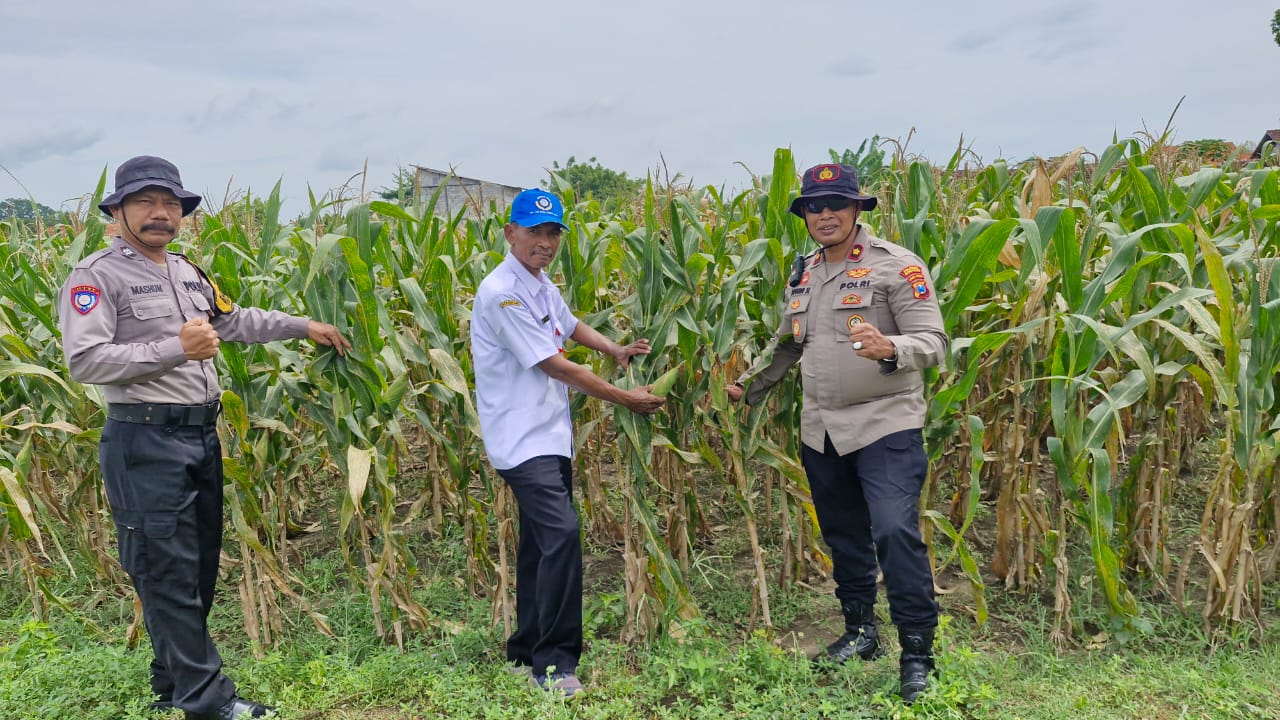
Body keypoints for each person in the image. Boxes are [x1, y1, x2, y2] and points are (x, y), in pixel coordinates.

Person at [58, 156, 351, 720]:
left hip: (197, 437)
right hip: (143, 440)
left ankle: (171, 681)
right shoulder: (96, 276)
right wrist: (176, 348)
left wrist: (301, 325)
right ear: (117, 210)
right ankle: (207, 701)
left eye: (171, 204)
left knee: (194, 567)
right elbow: (87, 360)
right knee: (163, 568)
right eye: (145, 202)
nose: (160, 214)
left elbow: (231, 321)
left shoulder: (187, 271)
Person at [726, 163, 949, 703]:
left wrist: (892, 348)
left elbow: (935, 341)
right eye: (813, 206)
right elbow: (787, 344)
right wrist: (746, 389)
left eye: (835, 204)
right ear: (804, 215)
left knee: (894, 531)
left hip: (885, 421)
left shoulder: (897, 267)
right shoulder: (803, 272)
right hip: (821, 428)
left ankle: (918, 654)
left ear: (856, 209)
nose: (824, 214)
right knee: (843, 534)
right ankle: (860, 632)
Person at [470, 188, 664, 698]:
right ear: (510, 233)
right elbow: (555, 363)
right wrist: (624, 397)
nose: (545, 241)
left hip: (549, 435)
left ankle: (525, 651)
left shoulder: (538, 282)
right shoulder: (502, 293)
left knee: (539, 543)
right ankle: (554, 666)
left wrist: (615, 348)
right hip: (520, 439)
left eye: (553, 232)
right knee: (561, 536)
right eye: (534, 231)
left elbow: (570, 325)